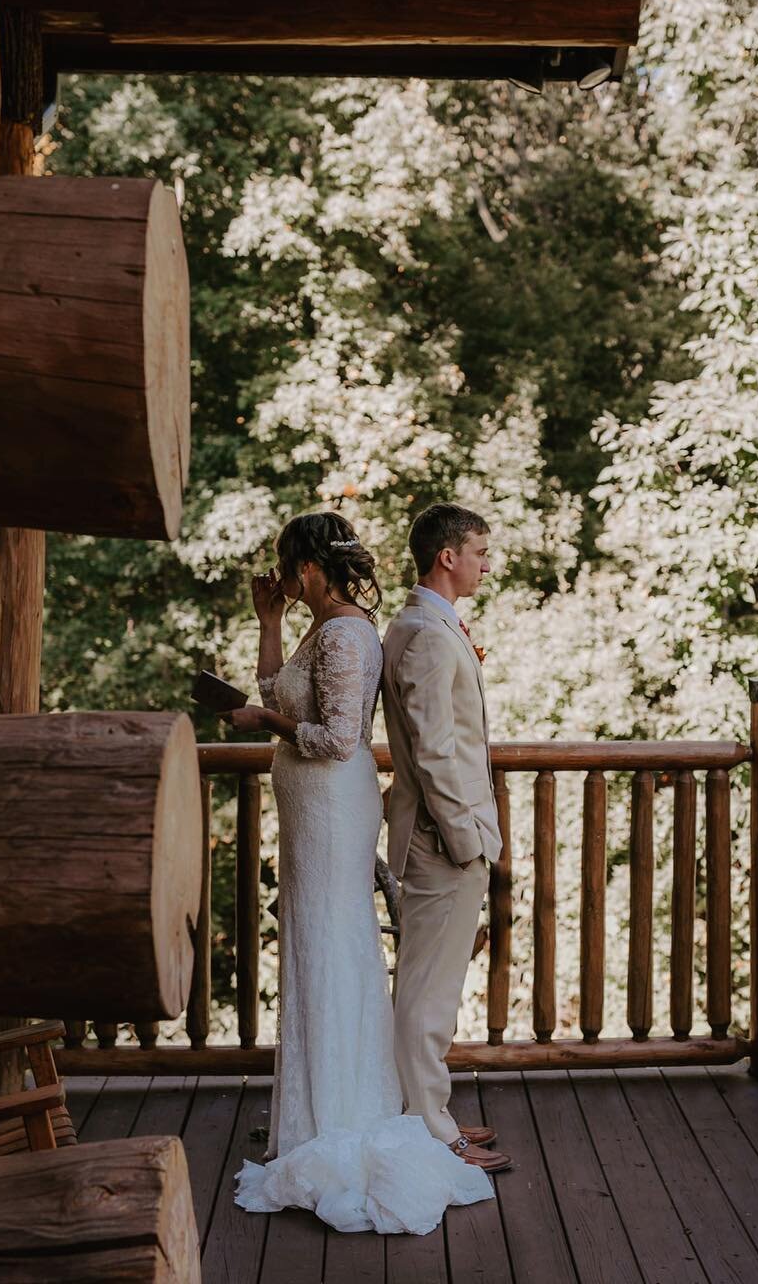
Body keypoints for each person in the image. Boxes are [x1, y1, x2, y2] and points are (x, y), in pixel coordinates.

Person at [229, 509, 494, 1235]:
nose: (281, 579)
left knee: (333, 944)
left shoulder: (348, 633)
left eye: (286, 569)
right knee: (314, 949)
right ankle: (315, 1112)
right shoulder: (320, 629)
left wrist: (265, 724)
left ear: (310, 569)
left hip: (333, 811)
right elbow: (283, 688)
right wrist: (269, 622)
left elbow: (338, 738)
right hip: (310, 815)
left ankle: (346, 1114)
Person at [380, 504, 512, 1173]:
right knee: (428, 992)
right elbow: (433, 751)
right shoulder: (426, 634)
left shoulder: (421, 624)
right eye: (480, 552)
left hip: (441, 833)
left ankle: (429, 1109)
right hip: (442, 838)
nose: (487, 564)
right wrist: (466, 837)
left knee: (431, 985)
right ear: (446, 557)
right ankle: (431, 1133)